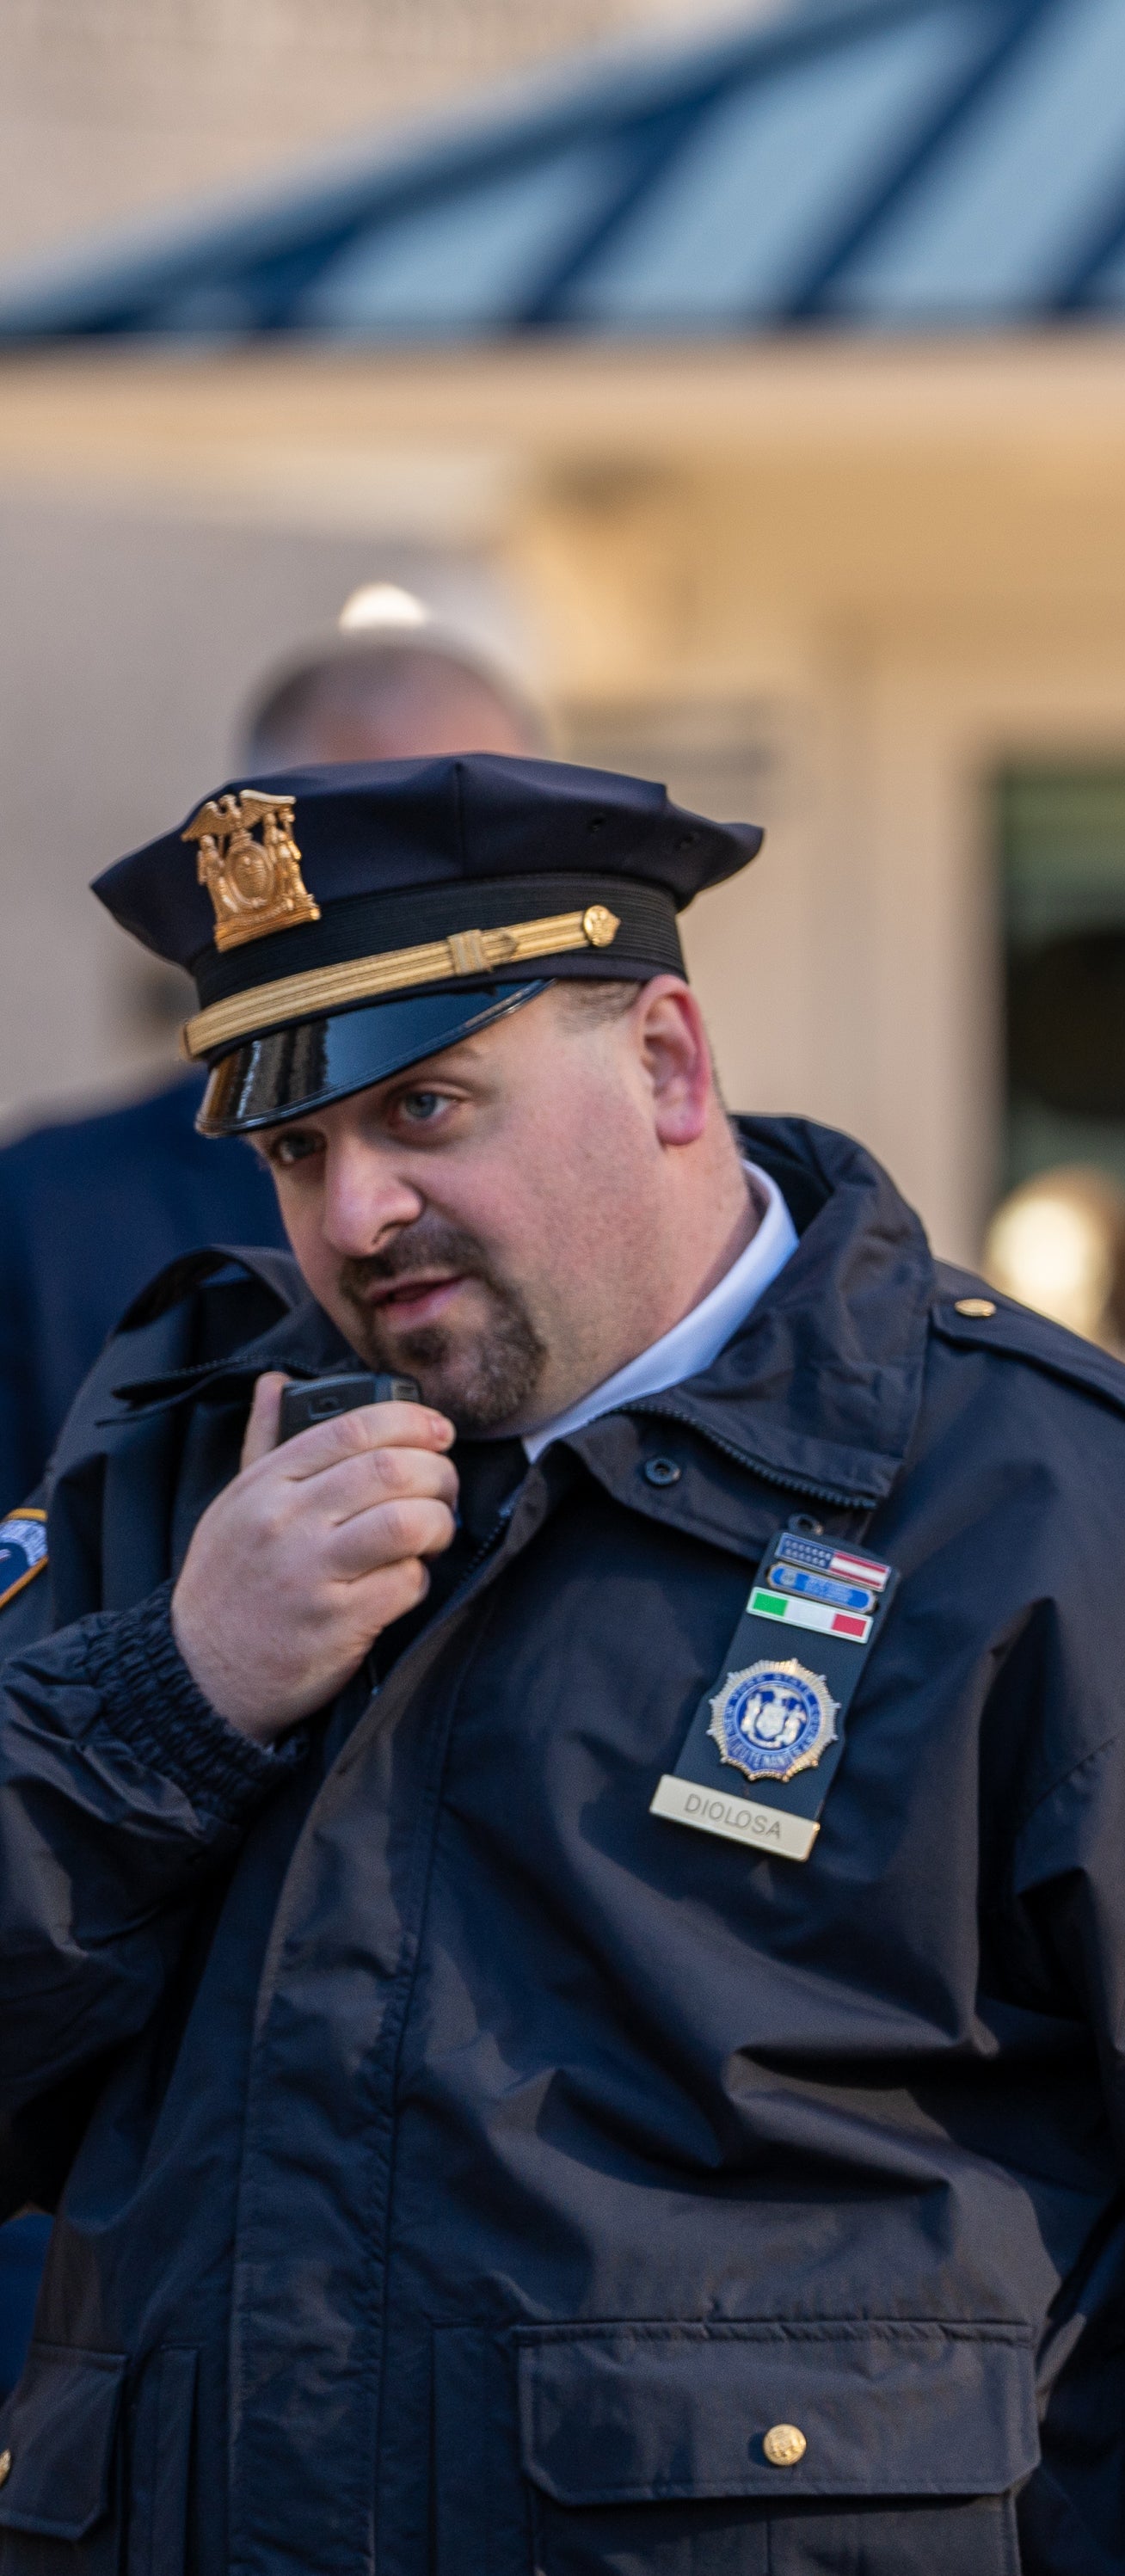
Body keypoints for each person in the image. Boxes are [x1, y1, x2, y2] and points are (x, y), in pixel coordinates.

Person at [0, 755, 1125, 2570]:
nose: (356, 1211)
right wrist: (170, 1699)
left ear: (670, 1065)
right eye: (301, 1148)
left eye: (432, 1109)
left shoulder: (1061, 1527)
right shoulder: (195, 1478)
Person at [0, 626, 543, 2403]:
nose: (362, 1204)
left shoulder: (599, 1200)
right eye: (300, 1153)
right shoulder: (55, 1204)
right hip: (129, 1988)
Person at [0, 629, 540, 1503]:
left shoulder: (602, 1174)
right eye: (361, 842)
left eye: (469, 843)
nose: (423, 903)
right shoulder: (47, 1210)